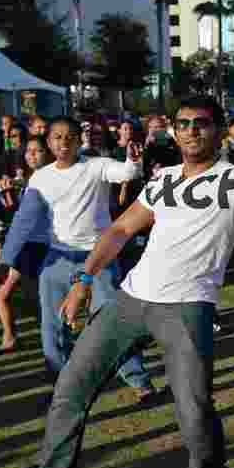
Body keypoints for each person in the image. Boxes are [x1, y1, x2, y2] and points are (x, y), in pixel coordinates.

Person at [4, 95, 234, 468]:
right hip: (130, 299)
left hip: (186, 306)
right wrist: (84, 281)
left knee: (194, 409)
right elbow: (121, 229)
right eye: (183, 124)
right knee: (69, 389)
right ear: (173, 131)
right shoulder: (162, 181)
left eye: (201, 123)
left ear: (217, 130)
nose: (191, 131)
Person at [11, 117, 156, 400]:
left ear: (79, 141)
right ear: (49, 142)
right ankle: (63, 384)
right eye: (57, 137)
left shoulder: (96, 165)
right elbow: (26, 220)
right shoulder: (40, 178)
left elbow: (126, 172)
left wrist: (133, 161)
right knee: (53, 326)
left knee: (110, 322)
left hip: (98, 257)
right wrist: (11, 257)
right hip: (57, 258)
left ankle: (139, 381)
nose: (63, 143)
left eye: (69, 137)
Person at [0, 136, 53, 353]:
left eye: (38, 150)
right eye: (29, 151)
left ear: (48, 153)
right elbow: (19, 214)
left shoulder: (48, 179)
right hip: (28, 244)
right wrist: (8, 194)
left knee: (29, 299)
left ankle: (57, 337)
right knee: (8, 295)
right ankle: (11, 337)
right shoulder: (33, 179)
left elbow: (31, 218)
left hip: (38, 245)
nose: (32, 155)